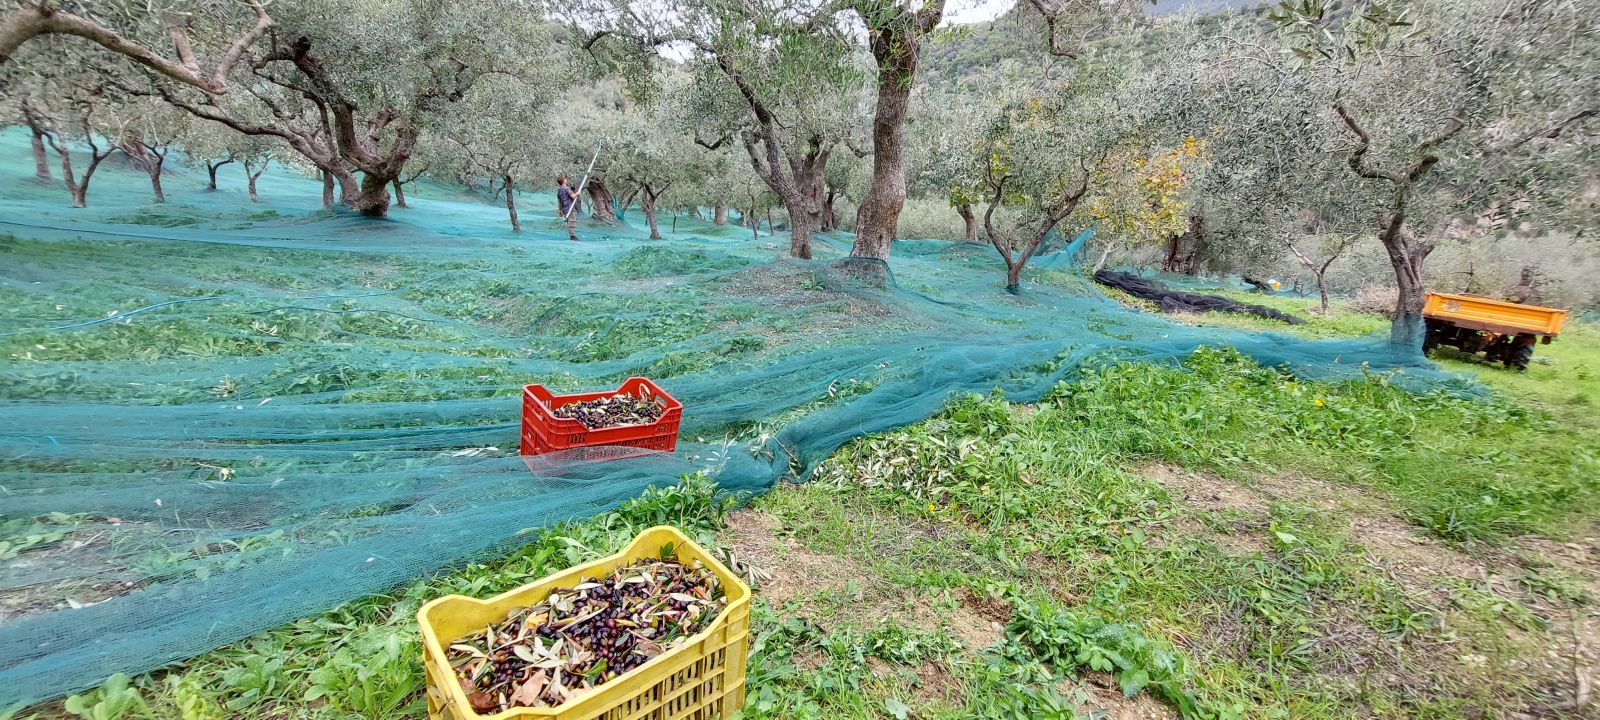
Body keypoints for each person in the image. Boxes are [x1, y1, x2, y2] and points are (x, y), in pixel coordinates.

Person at [556, 175, 580, 241]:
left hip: (564, 209)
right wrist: (577, 193)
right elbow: (573, 196)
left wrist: (560, 210)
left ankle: (572, 235)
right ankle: (572, 236)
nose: (567, 180)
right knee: (572, 221)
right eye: (566, 179)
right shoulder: (566, 188)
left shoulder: (559, 190)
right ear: (564, 180)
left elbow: (559, 200)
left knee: (569, 221)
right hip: (569, 208)